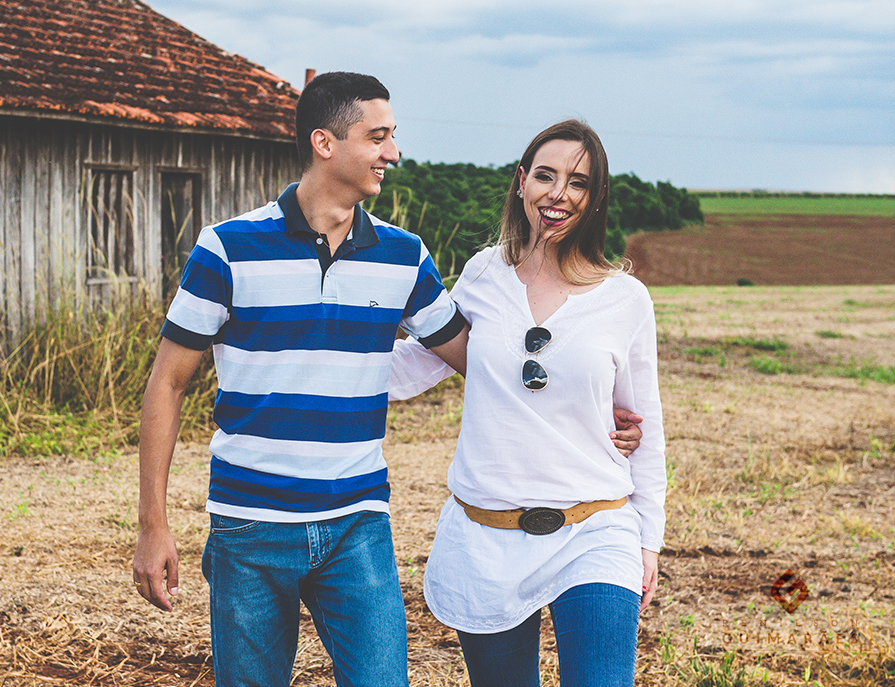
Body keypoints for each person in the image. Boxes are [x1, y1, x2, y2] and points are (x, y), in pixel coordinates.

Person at [132, 72, 469, 687]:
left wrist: (590, 394)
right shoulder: (227, 248)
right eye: (378, 137)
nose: (393, 152)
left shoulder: (405, 255)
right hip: (249, 526)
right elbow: (168, 384)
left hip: (357, 524)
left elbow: (474, 358)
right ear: (324, 142)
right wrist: (152, 524)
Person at [388, 120, 665, 687]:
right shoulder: (483, 274)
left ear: (596, 198)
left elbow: (646, 426)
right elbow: (422, 362)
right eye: (546, 175)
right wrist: (310, 357)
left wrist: (647, 539)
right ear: (521, 182)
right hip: (487, 534)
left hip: (594, 529)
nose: (559, 193)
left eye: (578, 182)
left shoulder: (625, 299)